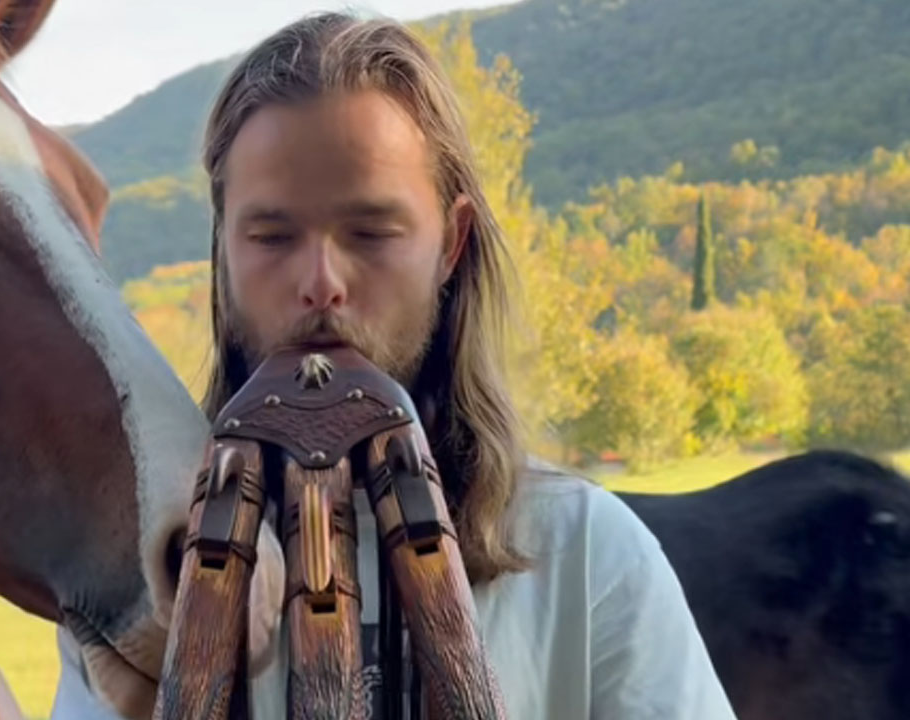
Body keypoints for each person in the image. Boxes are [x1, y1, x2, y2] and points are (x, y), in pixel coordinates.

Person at [51, 11, 737, 720]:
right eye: (272, 235)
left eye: (371, 232)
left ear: (451, 243)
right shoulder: (140, 582)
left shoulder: (588, 556)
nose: (321, 282)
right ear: (223, 250)